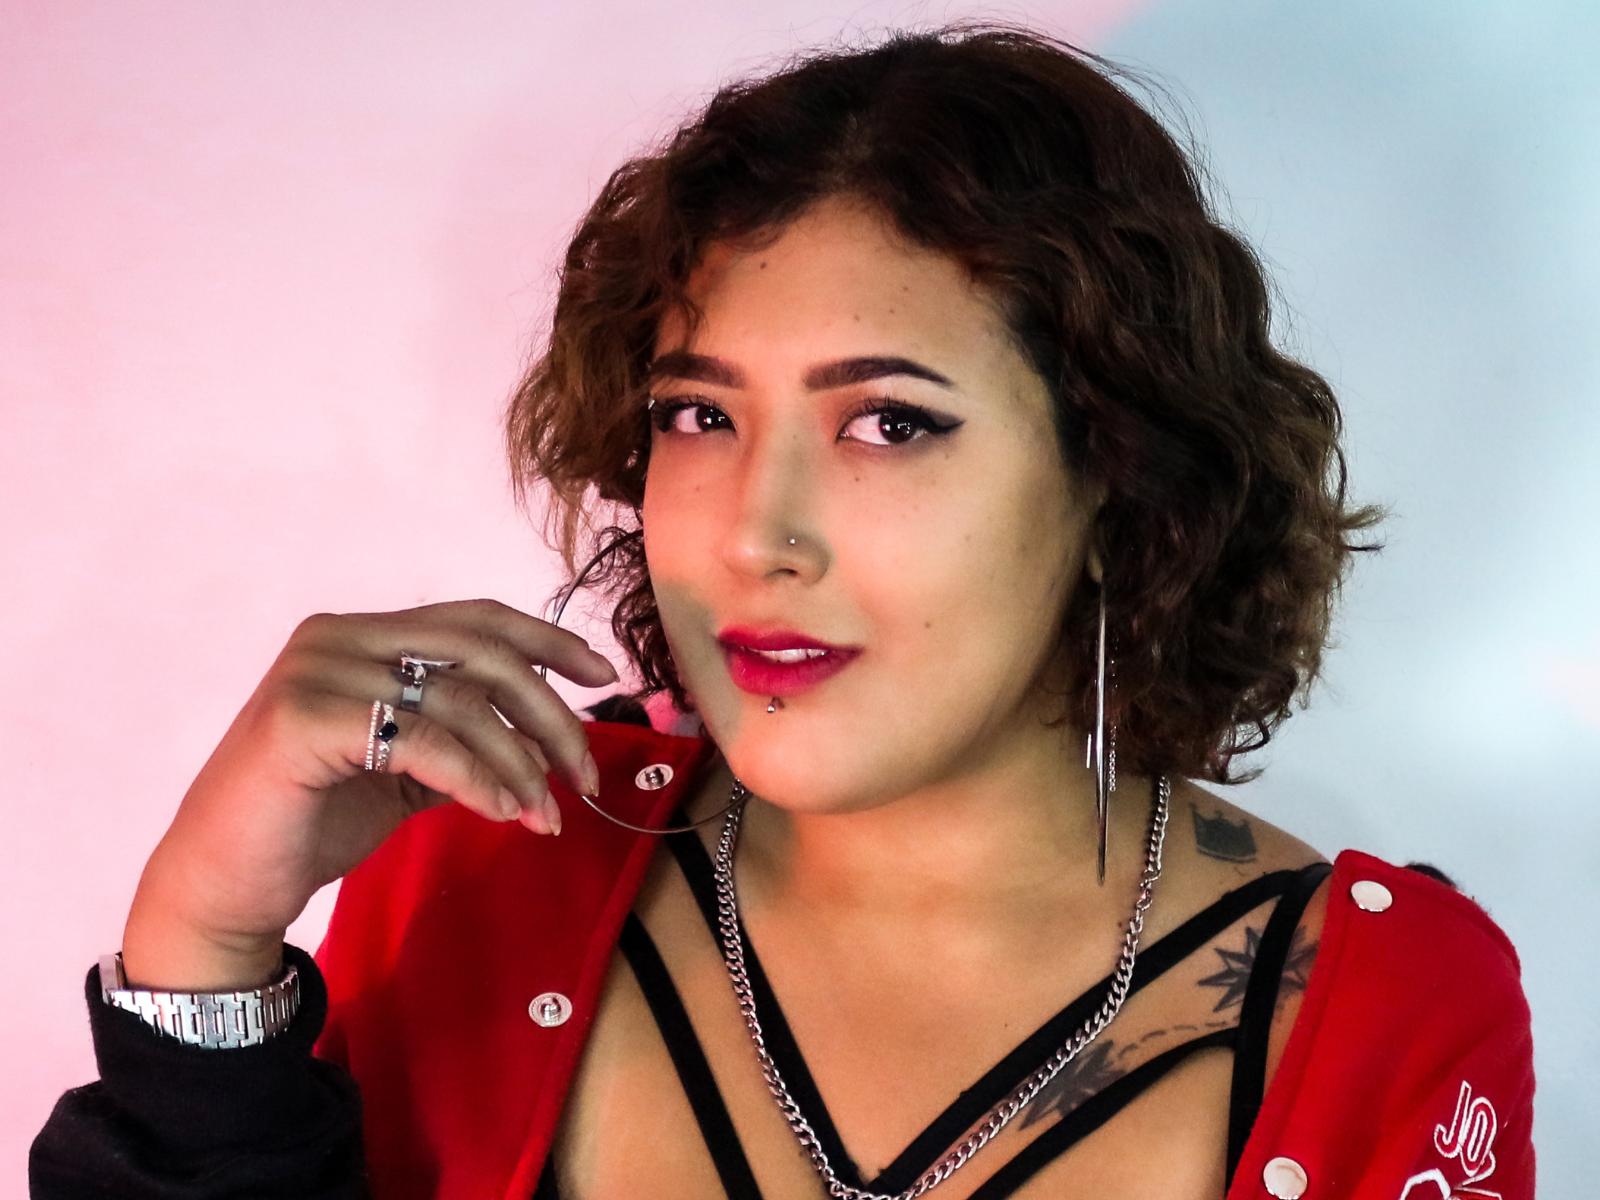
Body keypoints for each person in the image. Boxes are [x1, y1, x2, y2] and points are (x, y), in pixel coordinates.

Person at [31, 20, 1535, 1200]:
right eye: (698, 416)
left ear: (1117, 476)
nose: (755, 533)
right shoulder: (491, 852)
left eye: (889, 422)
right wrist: (205, 940)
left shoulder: (1386, 1006)